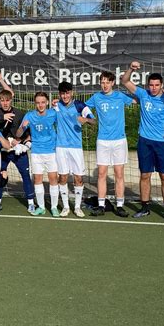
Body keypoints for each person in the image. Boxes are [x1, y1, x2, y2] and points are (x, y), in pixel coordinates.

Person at [122, 62, 164, 222]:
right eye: (151, 85)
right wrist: (131, 69)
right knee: (145, 175)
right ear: (148, 85)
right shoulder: (143, 94)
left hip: (163, 142)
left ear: (161, 86)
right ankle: (145, 207)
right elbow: (125, 81)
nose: (153, 88)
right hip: (145, 141)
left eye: (157, 85)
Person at [85, 71, 134, 217]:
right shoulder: (96, 97)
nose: (105, 85)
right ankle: (101, 205)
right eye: (102, 82)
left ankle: (119, 205)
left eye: (107, 82)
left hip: (119, 140)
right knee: (101, 174)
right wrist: (89, 118)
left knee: (119, 173)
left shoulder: (120, 96)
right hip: (103, 140)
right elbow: (82, 107)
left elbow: (138, 100)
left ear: (113, 83)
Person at [0, 89, 35, 214]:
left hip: (18, 151)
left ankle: (31, 202)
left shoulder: (20, 114)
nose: (5, 103)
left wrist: (23, 143)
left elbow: (28, 133)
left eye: (7, 100)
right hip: (2, 151)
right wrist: (2, 118)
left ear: (11, 100)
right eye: (2, 100)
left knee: (25, 175)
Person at [54, 82, 95, 218]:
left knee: (78, 178)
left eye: (67, 93)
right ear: (59, 94)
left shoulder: (79, 105)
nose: (65, 96)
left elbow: (94, 121)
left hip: (76, 147)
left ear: (72, 92)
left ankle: (77, 207)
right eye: (62, 93)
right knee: (63, 177)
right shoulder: (56, 105)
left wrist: (86, 120)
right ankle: (66, 207)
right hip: (61, 147)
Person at [16, 92, 59, 217]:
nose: (40, 105)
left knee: (53, 179)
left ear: (46, 102)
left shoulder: (52, 113)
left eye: (43, 102)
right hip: (36, 152)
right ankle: (41, 207)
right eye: (38, 102)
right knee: (38, 180)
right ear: (35, 103)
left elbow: (64, 121)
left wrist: (58, 105)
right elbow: (18, 134)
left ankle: (54, 207)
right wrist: (22, 127)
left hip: (51, 151)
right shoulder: (29, 115)